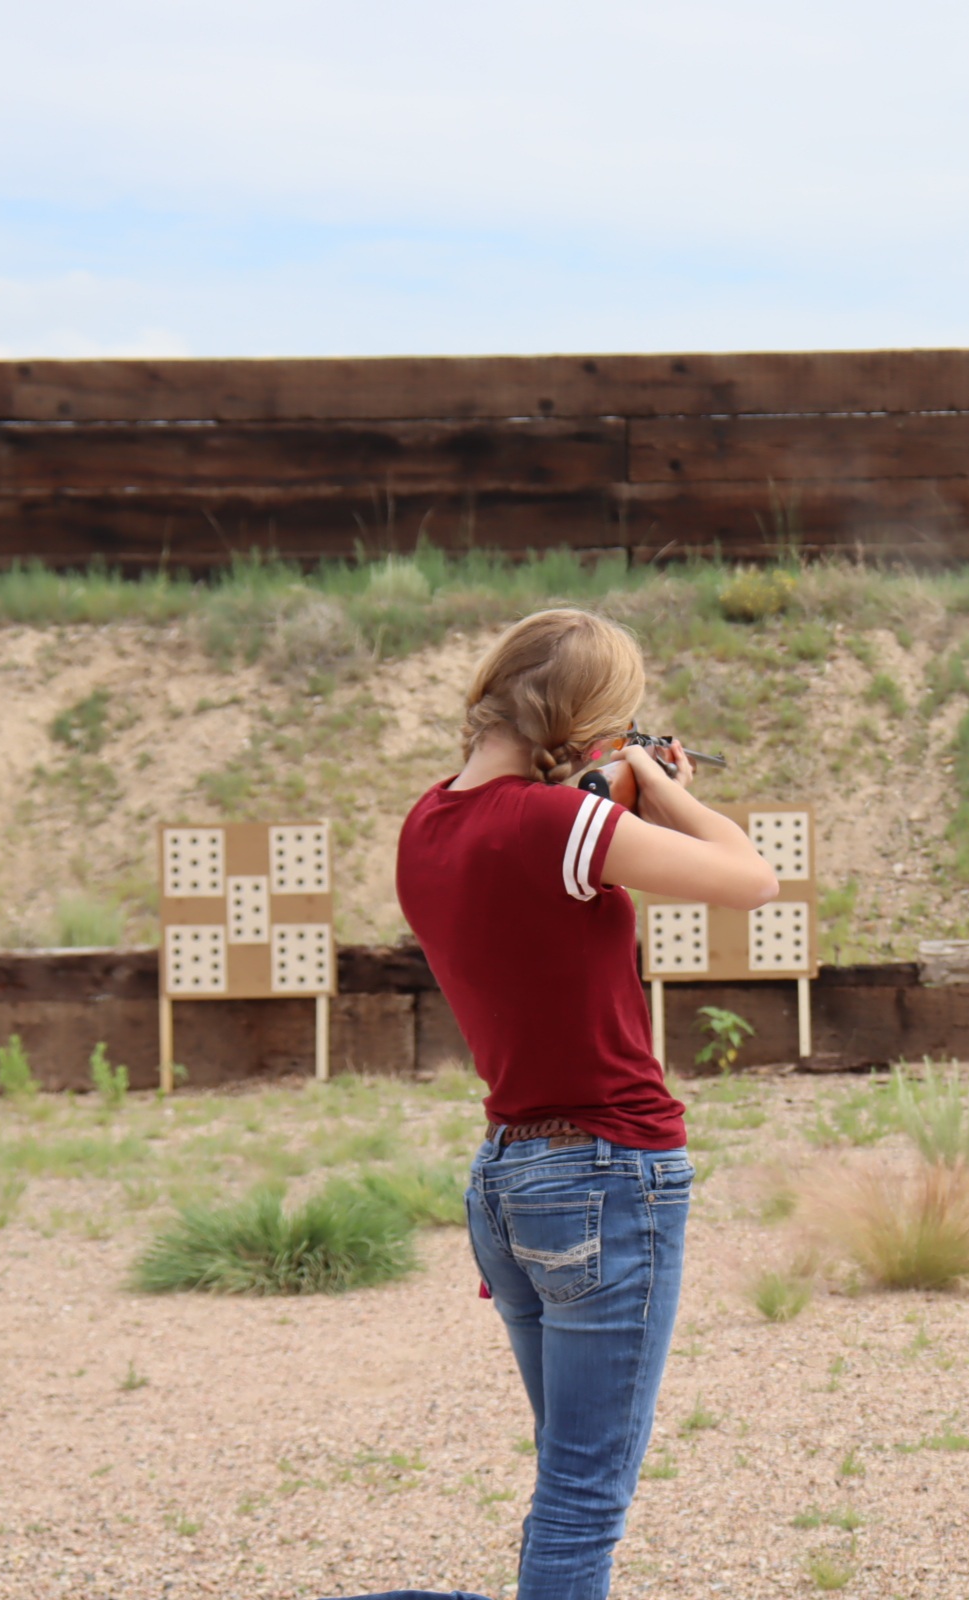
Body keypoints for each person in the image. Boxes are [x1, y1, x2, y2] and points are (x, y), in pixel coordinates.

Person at [328, 608, 778, 1600]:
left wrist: (605, 788)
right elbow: (751, 876)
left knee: (567, 1476)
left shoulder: (427, 821)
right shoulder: (555, 822)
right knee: (585, 1494)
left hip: (507, 1180)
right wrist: (654, 786)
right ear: (584, 724)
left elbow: (532, 892)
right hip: (608, 1172)